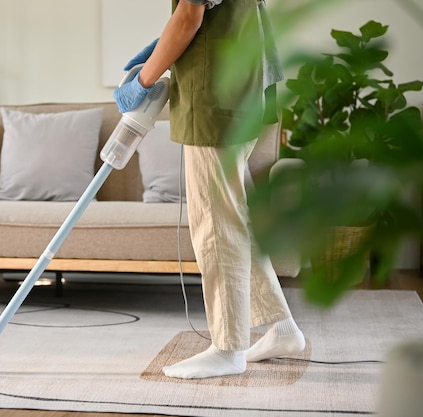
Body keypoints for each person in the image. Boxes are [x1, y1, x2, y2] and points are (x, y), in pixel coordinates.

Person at [113, 0, 305, 379]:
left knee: (216, 225)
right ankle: (282, 329)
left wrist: (143, 82)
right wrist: (167, 44)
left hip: (216, 96)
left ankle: (228, 348)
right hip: (248, 87)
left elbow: (189, 14)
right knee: (234, 216)